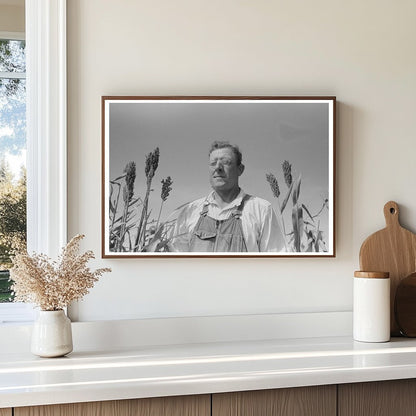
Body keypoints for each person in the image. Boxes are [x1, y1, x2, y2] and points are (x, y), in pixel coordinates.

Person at [170, 141, 284, 252]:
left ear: (240, 169)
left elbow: (275, 261)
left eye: (226, 162)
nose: (218, 168)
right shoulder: (190, 211)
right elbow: (178, 263)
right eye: (213, 163)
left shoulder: (261, 209)